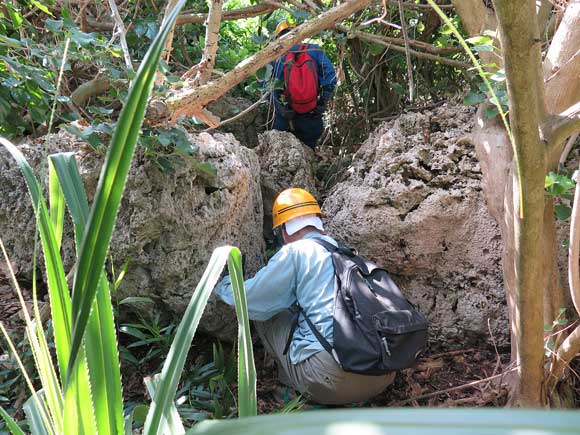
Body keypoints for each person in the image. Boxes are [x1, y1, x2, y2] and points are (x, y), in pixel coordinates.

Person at [214, 188, 395, 404]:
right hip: (383, 374)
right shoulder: (345, 253)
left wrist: (225, 282)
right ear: (318, 223)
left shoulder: (296, 251)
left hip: (331, 382)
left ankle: (291, 392)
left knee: (268, 313)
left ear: (282, 231)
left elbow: (252, 301)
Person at [268, 21, 337, 149]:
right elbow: (330, 77)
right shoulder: (315, 50)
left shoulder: (275, 58)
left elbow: (267, 88)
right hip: (310, 110)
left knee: (281, 150)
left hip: (285, 114)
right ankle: (309, 163)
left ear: (278, 38)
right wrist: (322, 102)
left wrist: (280, 109)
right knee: (308, 148)